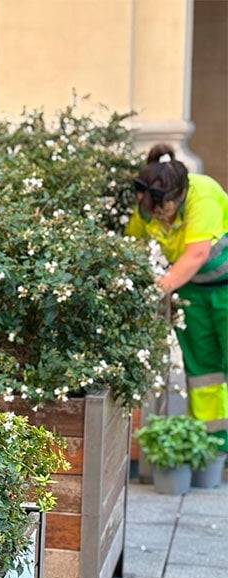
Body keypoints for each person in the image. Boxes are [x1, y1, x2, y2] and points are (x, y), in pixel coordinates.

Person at [126, 144, 228, 449]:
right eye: (152, 213)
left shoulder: (202, 194)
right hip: (192, 292)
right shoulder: (148, 205)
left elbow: (197, 254)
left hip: (225, 288)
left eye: (164, 212)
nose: (160, 219)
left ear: (179, 195)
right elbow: (131, 248)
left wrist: (155, 290)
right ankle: (213, 446)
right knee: (204, 372)